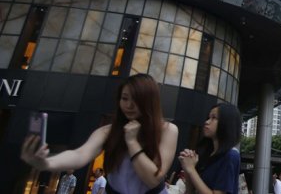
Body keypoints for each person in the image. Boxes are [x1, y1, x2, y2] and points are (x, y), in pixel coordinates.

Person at [21, 74, 179, 194]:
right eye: (124, 99)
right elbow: (79, 155)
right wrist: (46, 163)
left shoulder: (167, 130)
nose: (129, 105)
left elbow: (153, 179)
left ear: (149, 102)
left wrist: (132, 142)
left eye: (136, 100)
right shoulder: (108, 131)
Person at [178, 103, 242, 194]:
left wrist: (191, 169)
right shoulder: (206, 153)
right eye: (208, 118)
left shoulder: (231, 155)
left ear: (227, 123)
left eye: (213, 118)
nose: (207, 122)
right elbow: (190, 191)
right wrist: (187, 168)